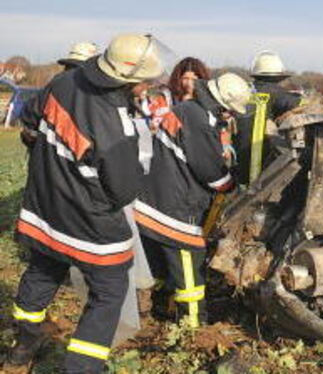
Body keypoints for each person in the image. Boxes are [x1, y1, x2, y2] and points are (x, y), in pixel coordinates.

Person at [9, 33, 172, 373]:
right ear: (126, 80)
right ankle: (80, 367)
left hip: (43, 212)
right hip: (91, 226)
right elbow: (123, 191)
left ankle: (22, 347)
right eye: (143, 82)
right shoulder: (117, 124)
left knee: (41, 273)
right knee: (110, 292)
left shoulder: (64, 82)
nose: (146, 87)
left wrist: (52, 165)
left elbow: (31, 122)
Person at [133, 72, 251, 328]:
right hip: (175, 212)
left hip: (151, 202)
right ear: (220, 104)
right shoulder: (199, 121)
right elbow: (210, 172)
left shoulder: (186, 109)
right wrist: (231, 184)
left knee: (161, 265)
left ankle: (160, 308)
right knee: (190, 265)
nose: (230, 116)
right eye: (229, 111)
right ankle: (192, 326)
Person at [233, 51, 302, 184]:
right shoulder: (276, 93)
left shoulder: (245, 90)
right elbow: (304, 105)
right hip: (260, 159)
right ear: (278, 76)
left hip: (238, 157)